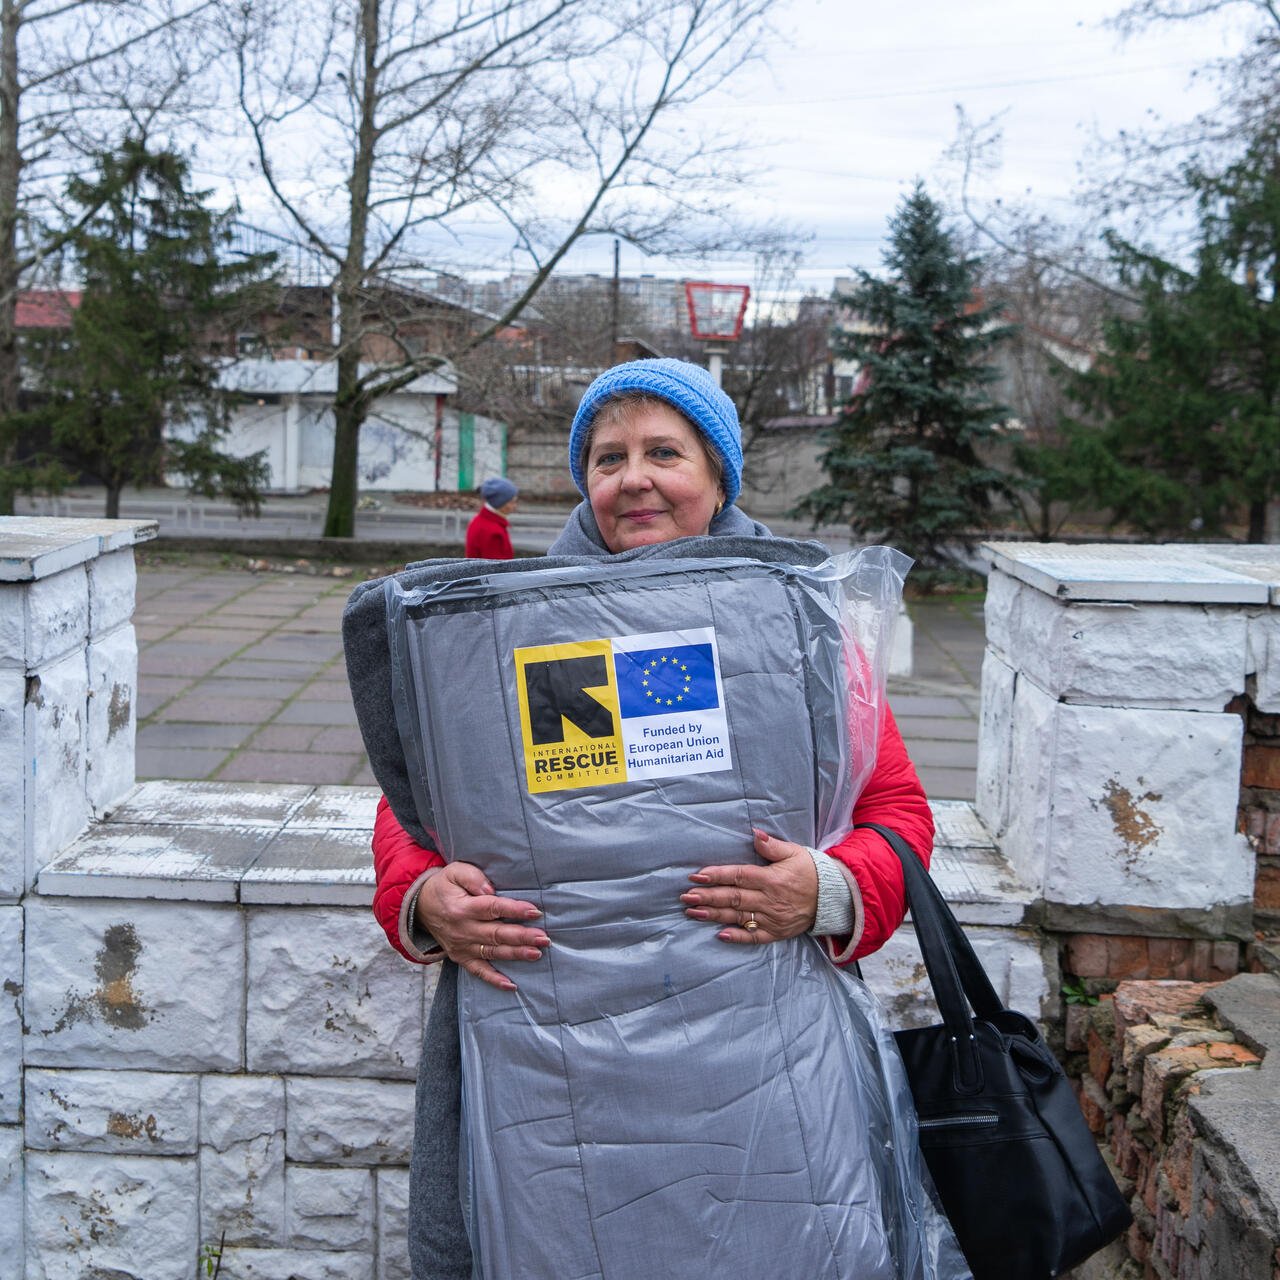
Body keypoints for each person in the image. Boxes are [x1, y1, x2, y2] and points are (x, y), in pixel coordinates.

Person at [370, 359, 941, 1279]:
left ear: (718, 479)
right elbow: (418, 804)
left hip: (759, 1056)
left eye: (664, 452)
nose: (632, 478)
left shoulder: (803, 629)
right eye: (607, 458)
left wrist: (828, 889)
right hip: (553, 1063)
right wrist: (422, 896)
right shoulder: (515, 628)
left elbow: (895, 809)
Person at [462, 476, 518, 559]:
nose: (515, 506)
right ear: (500, 503)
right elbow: (498, 569)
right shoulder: (493, 531)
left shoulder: (480, 521)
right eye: (512, 502)